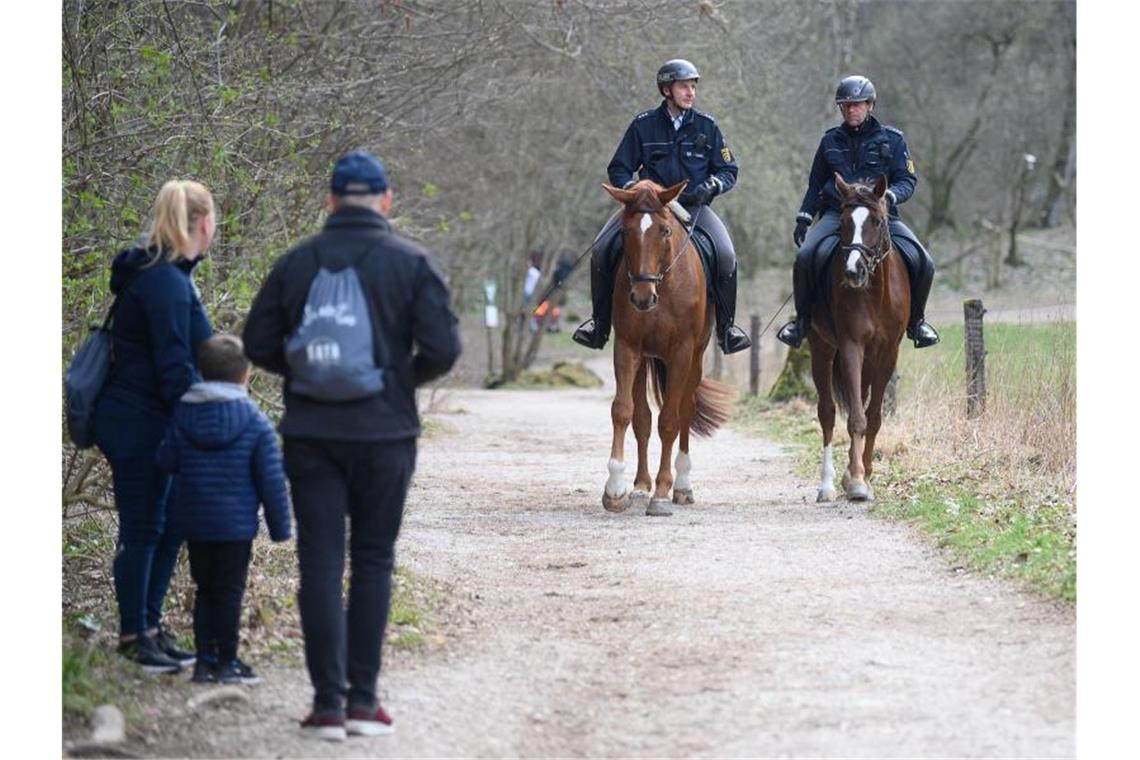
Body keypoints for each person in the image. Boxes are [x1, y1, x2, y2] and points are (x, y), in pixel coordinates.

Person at [243, 150, 462, 741]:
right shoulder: (411, 262)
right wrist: (394, 380)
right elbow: (443, 349)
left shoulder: (297, 263)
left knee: (319, 560)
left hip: (312, 434)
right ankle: (364, 702)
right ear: (387, 201)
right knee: (372, 560)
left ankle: (327, 705)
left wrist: (305, 374)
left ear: (331, 201)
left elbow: (256, 341)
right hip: (386, 432)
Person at [94, 179, 215, 673]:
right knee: (144, 527)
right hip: (141, 422)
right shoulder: (164, 281)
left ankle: (149, 626)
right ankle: (133, 635)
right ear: (203, 224)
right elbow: (173, 364)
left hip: (154, 418)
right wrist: (205, 416)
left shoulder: (167, 274)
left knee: (169, 524)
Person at [572, 58, 751, 354]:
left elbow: (728, 170)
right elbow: (618, 168)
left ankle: (727, 329)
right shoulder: (643, 126)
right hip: (647, 210)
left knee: (726, 254)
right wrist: (635, 192)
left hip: (693, 208)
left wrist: (713, 186)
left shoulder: (707, 126)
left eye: (693, 86)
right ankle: (599, 324)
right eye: (684, 87)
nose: (691, 92)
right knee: (601, 249)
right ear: (667, 90)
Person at [155, 334, 292, 686]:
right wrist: (280, 527)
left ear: (201, 371)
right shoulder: (254, 420)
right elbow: (272, 480)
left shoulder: (184, 413)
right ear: (245, 375)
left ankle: (204, 662)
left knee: (204, 590)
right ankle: (228, 662)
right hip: (235, 526)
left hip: (196, 522)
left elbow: (166, 460)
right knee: (229, 592)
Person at [776, 74, 940, 349]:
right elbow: (816, 184)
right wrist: (805, 216)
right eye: (847, 105)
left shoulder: (894, 140)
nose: (852, 109)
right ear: (841, 108)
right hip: (836, 214)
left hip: (880, 217)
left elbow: (907, 180)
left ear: (870, 105)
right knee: (804, 258)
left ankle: (917, 323)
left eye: (858, 104)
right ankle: (801, 322)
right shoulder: (829, 141)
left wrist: (889, 196)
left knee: (924, 262)